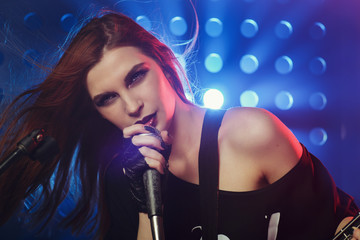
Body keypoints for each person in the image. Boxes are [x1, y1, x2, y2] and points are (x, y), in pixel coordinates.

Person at [0, 11, 359, 240]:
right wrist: (145, 202)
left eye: (136, 77)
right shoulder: (122, 176)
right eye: (107, 99)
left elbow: (338, 225)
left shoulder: (250, 133)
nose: (132, 105)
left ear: (162, 61)